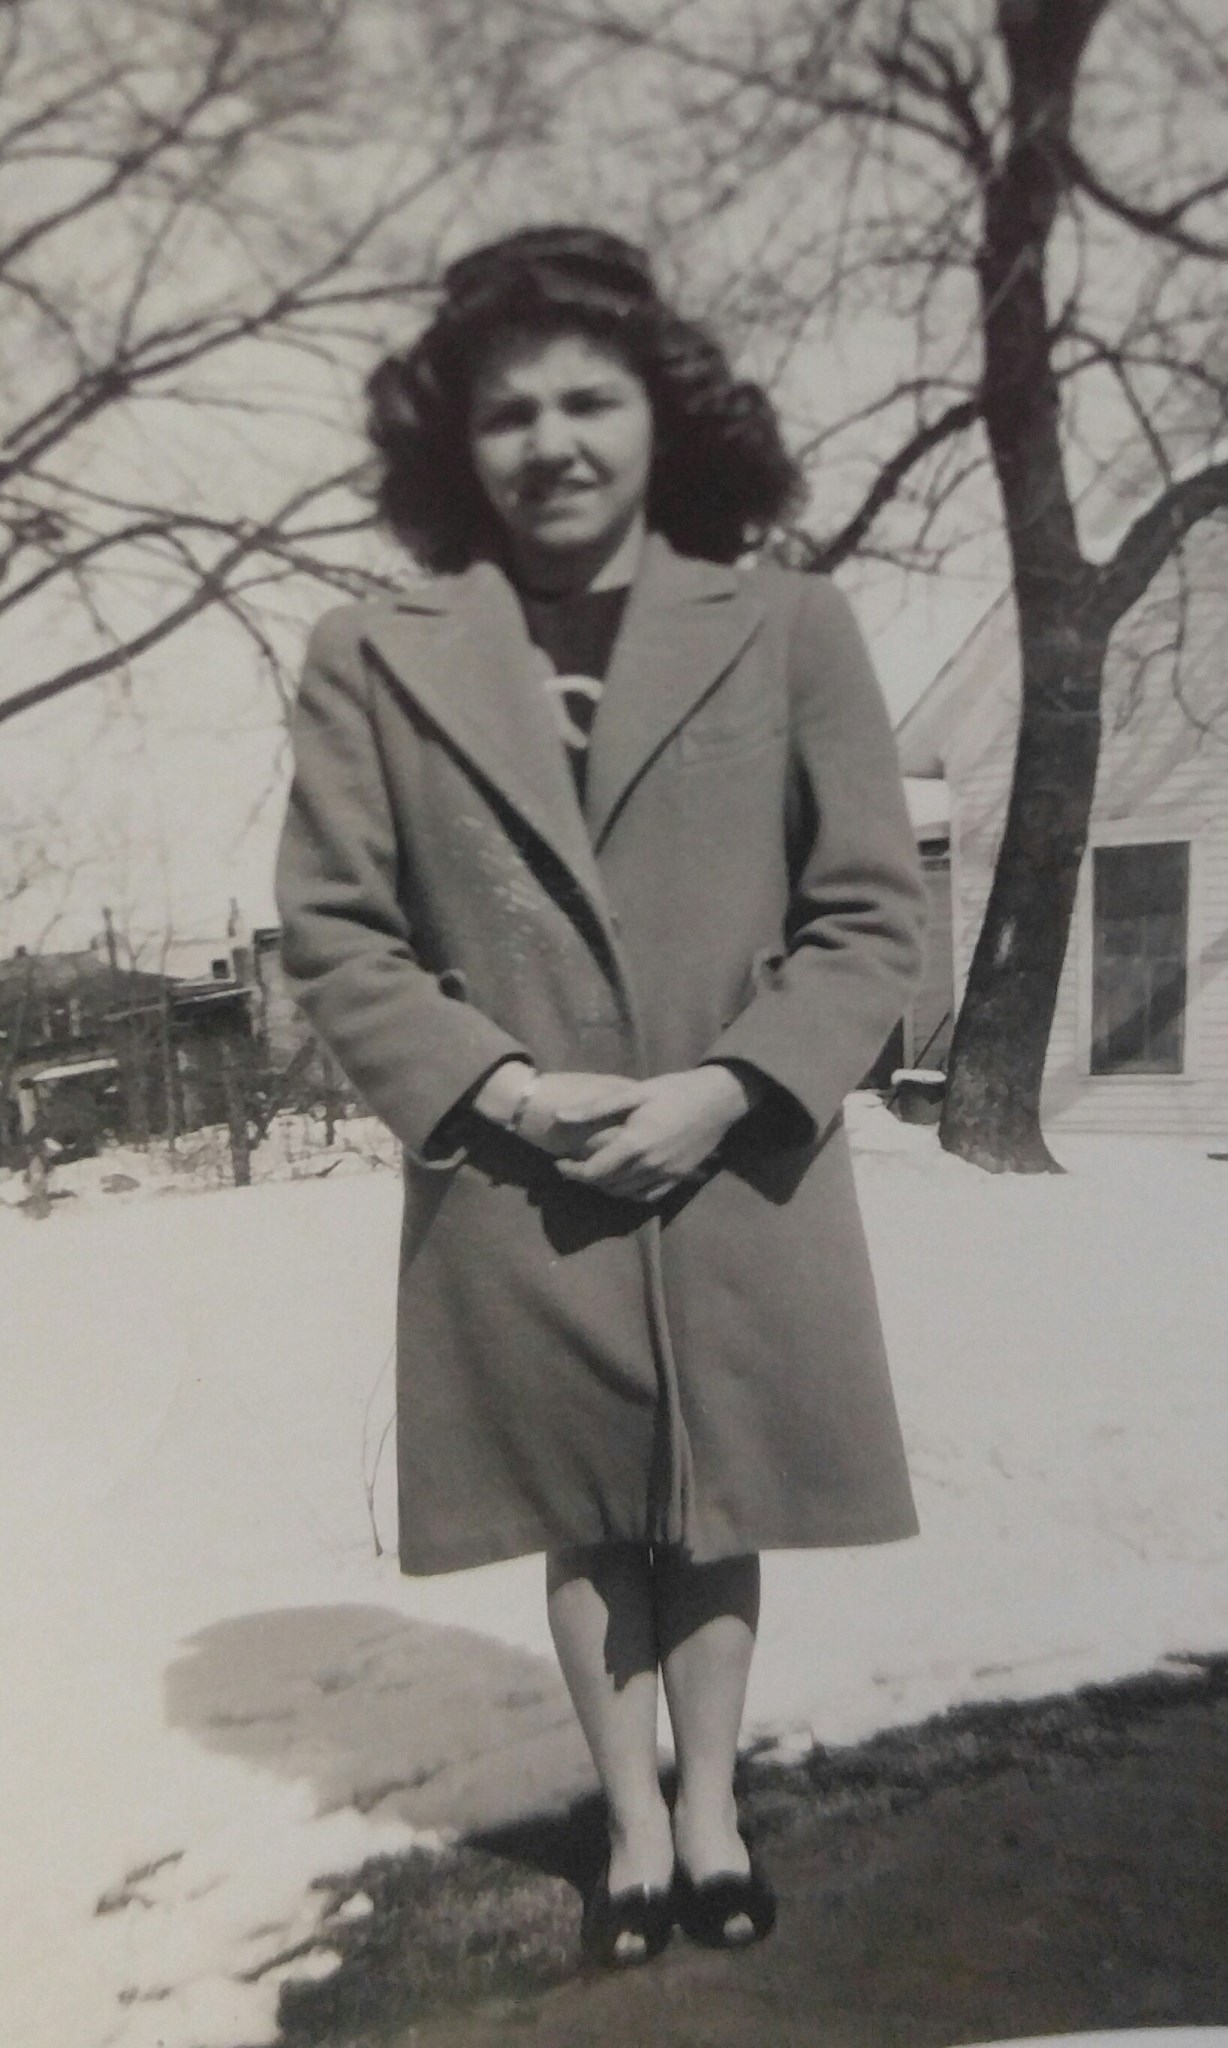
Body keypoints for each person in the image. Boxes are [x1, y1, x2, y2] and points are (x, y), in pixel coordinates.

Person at [274, 224, 925, 1968]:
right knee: (583, 1506)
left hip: (740, 1156)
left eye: (590, 400)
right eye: (507, 413)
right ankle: (632, 1818)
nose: (551, 442)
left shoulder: (790, 626)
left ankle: (712, 1807)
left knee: (718, 1498)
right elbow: (335, 931)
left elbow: (871, 914)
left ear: (665, 415)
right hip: (519, 1167)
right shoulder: (370, 652)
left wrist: (731, 1086)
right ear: (452, 444)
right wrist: (495, 1087)